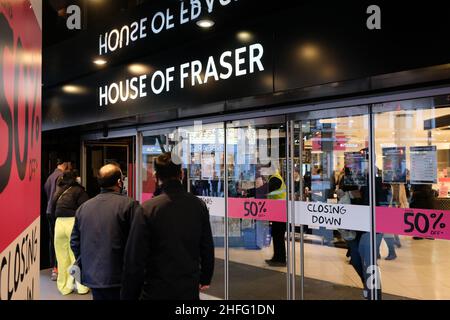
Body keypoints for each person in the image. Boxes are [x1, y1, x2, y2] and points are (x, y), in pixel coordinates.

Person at [121, 152, 215, 300]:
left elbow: (135, 258)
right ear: (181, 173)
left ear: (155, 176)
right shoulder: (198, 205)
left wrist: (129, 294)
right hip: (188, 289)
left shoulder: (147, 209)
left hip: (155, 290)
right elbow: (207, 246)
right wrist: (205, 277)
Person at [70, 164, 141, 300]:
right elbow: (138, 242)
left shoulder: (83, 208)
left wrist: (86, 264)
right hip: (121, 278)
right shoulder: (130, 205)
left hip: (94, 278)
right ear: (119, 182)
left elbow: (74, 242)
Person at [52, 170, 90, 295]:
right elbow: (85, 208)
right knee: (76, 255)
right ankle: (81, 287)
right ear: (75, 178)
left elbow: (51, 207)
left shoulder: (59, 190)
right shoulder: (78, 190)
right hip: (72, 222)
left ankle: (64, 287)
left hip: (58, 224)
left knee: (62, 257)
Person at [44, 159, 69, 281]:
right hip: (56, 212)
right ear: (65, 164)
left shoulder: (50, 176)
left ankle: (53, 267)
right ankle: (57, 268)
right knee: (60, 241)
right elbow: (58, 194)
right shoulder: (61, 176)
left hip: (49, 210)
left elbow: (46, 191)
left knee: (52, 239)